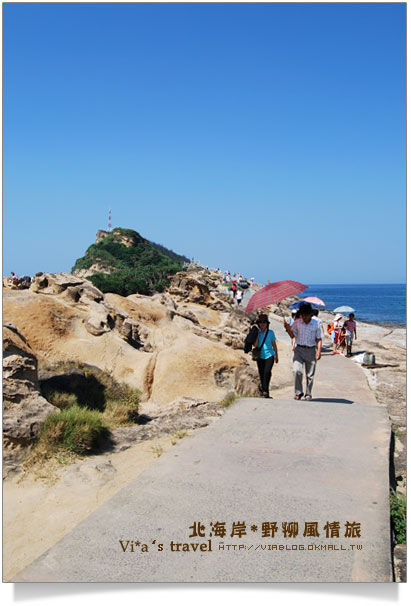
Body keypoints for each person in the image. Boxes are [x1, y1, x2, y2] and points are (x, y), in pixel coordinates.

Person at [283, 303, 322, 401]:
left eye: (305, 315)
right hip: (299, 349)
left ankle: (308, 393)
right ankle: (298, 392)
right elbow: (293, 335)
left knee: (310, 374)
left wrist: (319, 351)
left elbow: (319, 338)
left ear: (310, 314)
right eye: (302, 315)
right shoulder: (297, 323)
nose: (303, 317)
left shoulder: (316, 323)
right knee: (297, 370)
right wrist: (287, 328)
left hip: (311, 349)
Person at [253, 313, 279, 399]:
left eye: (264, 322)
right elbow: (255, 345)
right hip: (260, 356)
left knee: (267, 372)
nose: (262, 324)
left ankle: (266, 390)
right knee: (261, 373)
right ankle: (264, 390)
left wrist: (276, 355)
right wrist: (256, 335)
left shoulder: (270, 333)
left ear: (267, 323)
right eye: (260, 322)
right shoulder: (257, 332)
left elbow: (274, 344)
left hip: (270, 355)